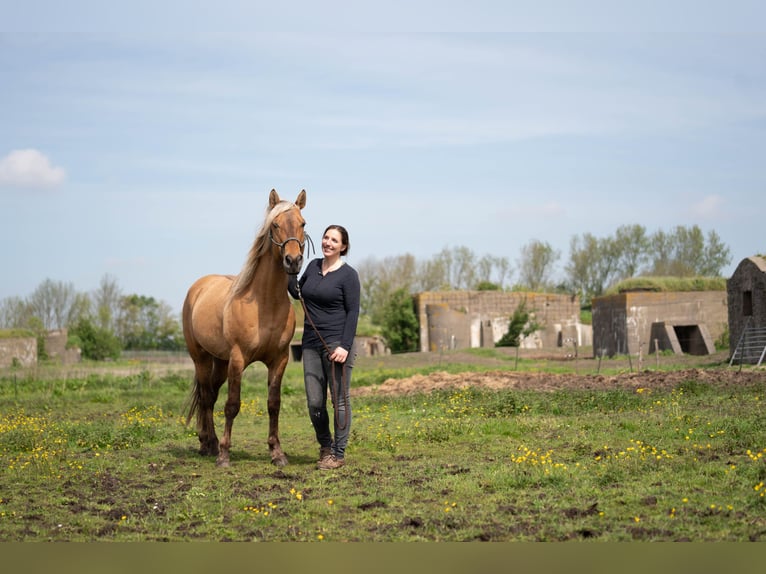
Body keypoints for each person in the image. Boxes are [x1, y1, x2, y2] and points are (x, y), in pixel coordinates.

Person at [288, 224, 360, 470]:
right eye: (326, 237)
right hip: (310, 343)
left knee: (339, 400)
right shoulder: (312, 266)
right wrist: (289, 272)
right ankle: (325, 447)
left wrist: (345, 346)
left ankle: (338, 455)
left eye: (334, 240)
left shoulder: (348, 275)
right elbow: (298, 293)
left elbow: (353, 312)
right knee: (314, 402)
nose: (328, 242)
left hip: (336, 344)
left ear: (343, 247)